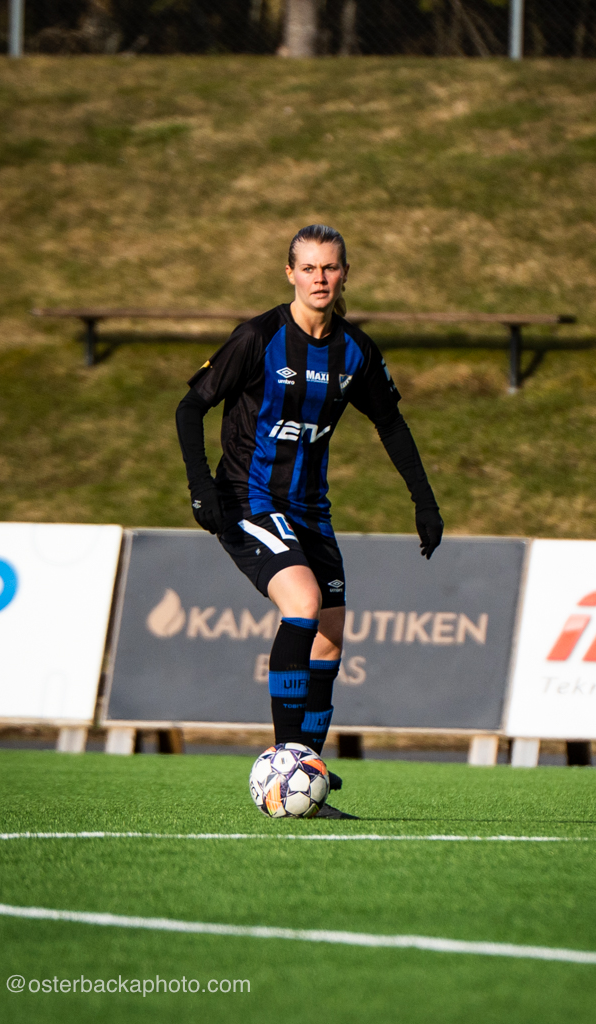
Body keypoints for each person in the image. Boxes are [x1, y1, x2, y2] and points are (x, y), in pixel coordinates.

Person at [175, 224, 443, 818]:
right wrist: (200, 487)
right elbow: (190, 406)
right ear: (290, 273)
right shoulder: (258, 337)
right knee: (303, 601)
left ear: (345, 274)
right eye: (309, 268)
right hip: (247, 498)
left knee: (329, 634)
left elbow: (391, 424)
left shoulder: (356, 351)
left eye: (331, 267)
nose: (320, 278)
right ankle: (285, 765)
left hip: (310, 510)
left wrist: (424, 501)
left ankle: (306, 783)